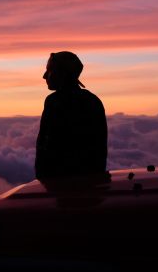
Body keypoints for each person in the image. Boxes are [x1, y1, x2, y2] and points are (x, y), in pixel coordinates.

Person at [34, 51, 107, 179]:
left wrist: (43, 180)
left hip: (60, 185)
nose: (44, 76)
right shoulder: (93, 101)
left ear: (62, 73)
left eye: (49, 70)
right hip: (90, 184)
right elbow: (100, 151)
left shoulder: (54, 102)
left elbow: (44, 146)